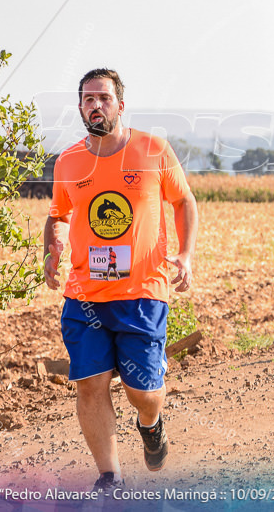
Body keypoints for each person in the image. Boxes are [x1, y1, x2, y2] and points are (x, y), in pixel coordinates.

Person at [43, 68, 198, 491]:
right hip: (85, 294)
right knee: (90, 386)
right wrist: (52, 248)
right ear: (80, 107)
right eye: (88, 99)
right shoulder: (69, 160)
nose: (96, 105)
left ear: (120, 105)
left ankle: (151, 423)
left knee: (141, 393)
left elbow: (184, 201)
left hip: (143, 293)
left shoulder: (153, 150)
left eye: (104, 98)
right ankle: (110, 477)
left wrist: (185, 254)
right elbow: (58, 214)